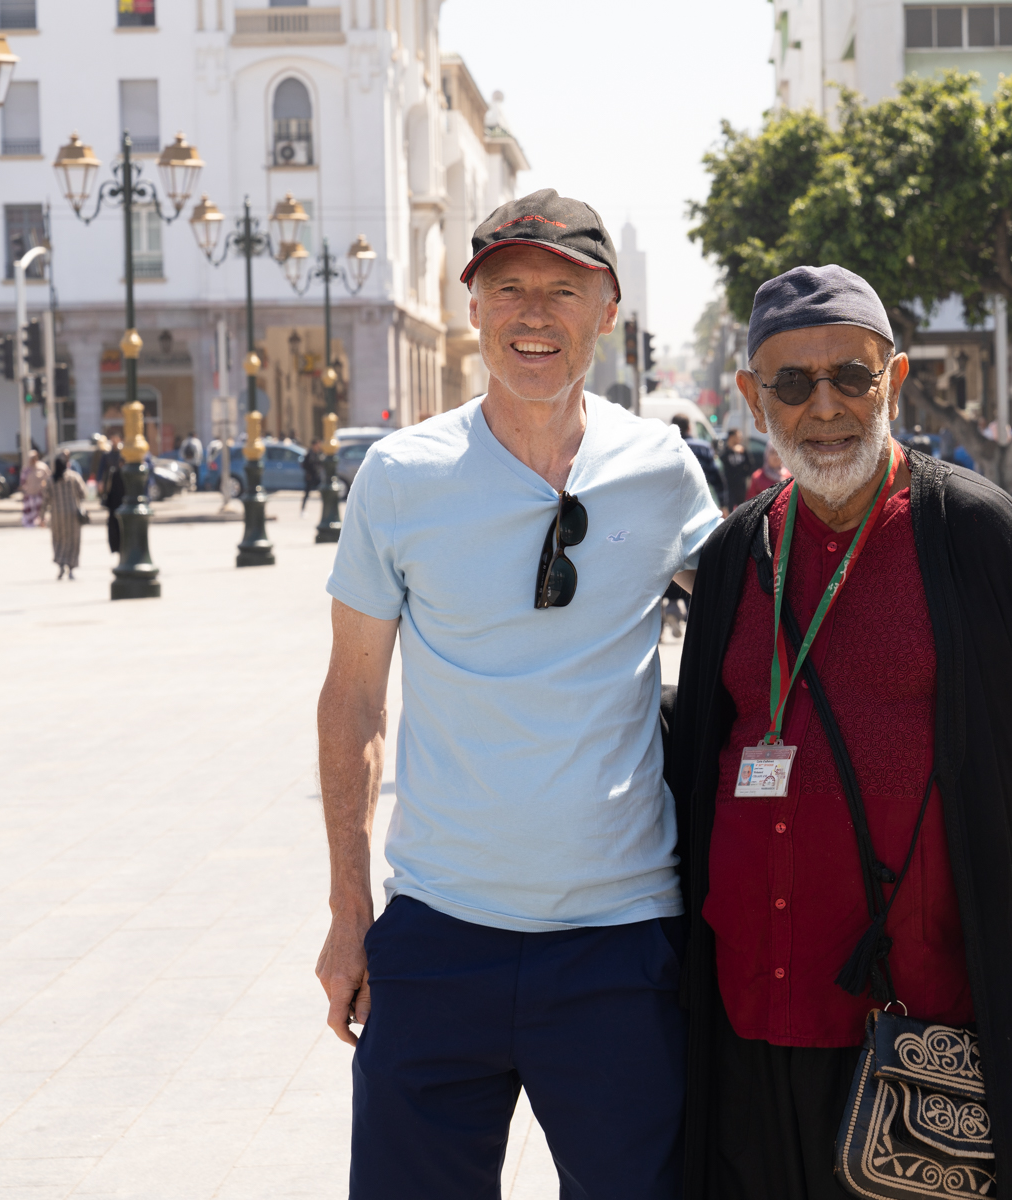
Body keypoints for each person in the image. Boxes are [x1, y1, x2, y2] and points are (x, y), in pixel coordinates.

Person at [665, 263, 1012, 1199]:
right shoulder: (737, 550)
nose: (825, 407)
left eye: (851, 377)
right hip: (750, 1023)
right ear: (749, 397)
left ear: (893, 380)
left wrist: (1005, 894)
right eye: (791, 382)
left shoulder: (973, 532)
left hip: (915, 1033)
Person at [315, 188, 721, 1200]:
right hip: (439, 936)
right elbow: (353, 702)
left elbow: (764, 642)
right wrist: (348, 908)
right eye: (509, 289)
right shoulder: (402, 477)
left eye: (561, 291)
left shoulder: (664, 473)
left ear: (606, 313)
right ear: (474, 310)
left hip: (621, 946)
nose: (533, 313)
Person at [46, 451, 85, 580]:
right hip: (73, 515)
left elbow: (45, 499)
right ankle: (71, 568)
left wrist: (41, 516)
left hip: (57, 516)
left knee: (59, 540)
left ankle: (61, 563)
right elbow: (83, 493)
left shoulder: (51, 480)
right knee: (73, 541)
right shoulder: (74, 477)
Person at [672, 414, 726, 507]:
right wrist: (723, 503)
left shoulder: (669, 448)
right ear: (689, 427)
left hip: (675, 502)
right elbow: (715, 477)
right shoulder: (703, 447)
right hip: (700, 500)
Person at [719, 428, 756, 509]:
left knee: (742, 508)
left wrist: (745, 476)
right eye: (738, 436)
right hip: (728, 486)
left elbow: (750, 464)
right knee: (729, 509)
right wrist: (731, 449)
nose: (740, 438)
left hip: (741, 485)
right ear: (731, 437)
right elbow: (721, 462)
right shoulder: (725, 451)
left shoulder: (743, 450)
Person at [19, 450, 49, 527]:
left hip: (40, 494)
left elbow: (48, 478)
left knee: (41, 512)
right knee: (29, 514)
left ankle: (42, 524)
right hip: (30, 495)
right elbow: (23, 482)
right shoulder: (26, 469)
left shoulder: (42, 467)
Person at [301, 438, 325, 513]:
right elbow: (304, 465)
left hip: (317, 476)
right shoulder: (309, 454)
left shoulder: (319, 453)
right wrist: (308, 473)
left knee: (323, 491)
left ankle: (325, 509)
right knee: (307, 493)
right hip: (310, 476)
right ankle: (303, 509)